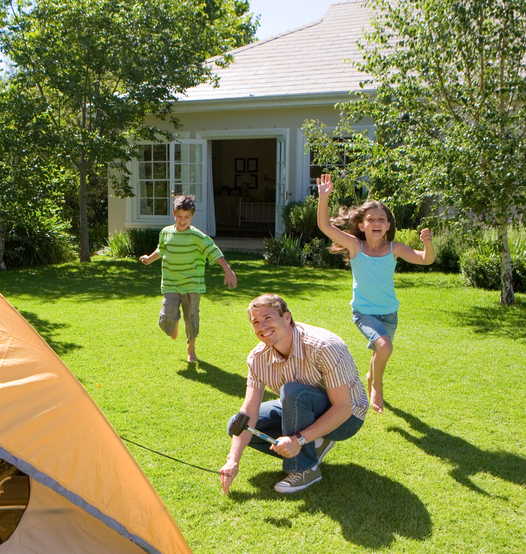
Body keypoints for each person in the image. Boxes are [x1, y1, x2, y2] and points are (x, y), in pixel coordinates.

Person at [219, 294, 368, 494]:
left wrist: (297, 440)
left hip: (348, 417)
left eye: (268, 318)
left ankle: (305, 469)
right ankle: (313, 444)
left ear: (287, 317)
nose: (262, 326)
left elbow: (343, 407)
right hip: (299, 405)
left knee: (293, 393)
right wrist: (233, 460)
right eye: (256, 322)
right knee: (236, 425)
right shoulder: (257, 358)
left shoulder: (324, 346)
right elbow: (248, 411)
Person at [315, 173, 435, 413]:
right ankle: (376, 384)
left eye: (382, 219)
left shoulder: (395, 248)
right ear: (362, 225)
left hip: (389, 313)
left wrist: (428, 244)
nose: (377, 223)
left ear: (388, 226)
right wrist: (323, 198)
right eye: (371, 219)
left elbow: (425, 260)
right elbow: (324, 225)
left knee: (381, 348)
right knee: (385, 347)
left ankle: (372, 375)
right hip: (364, 312)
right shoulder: (355, 245)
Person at [139, 194, 237, 363]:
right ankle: (174, 322)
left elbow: (214, 252)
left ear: (192, 216)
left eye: (186, 217)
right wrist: (149, 258)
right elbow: (161, 250)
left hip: (192, 285)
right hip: (171, 283)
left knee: (191, 318)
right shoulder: (166, 233)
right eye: (179, 217)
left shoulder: (197, 236)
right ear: (173, 214)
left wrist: (227, 270)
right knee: (167, 316)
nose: (182, 220)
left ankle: (191, 350)